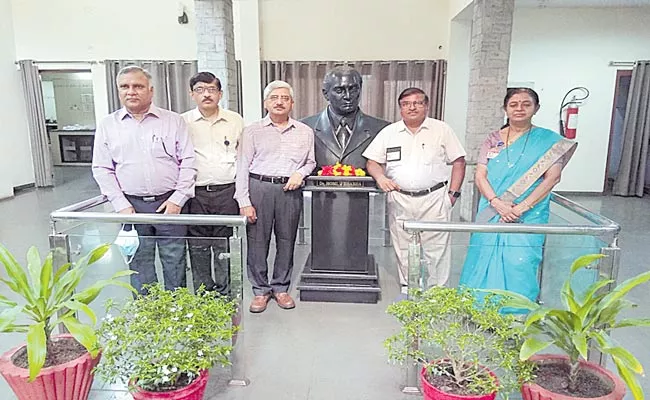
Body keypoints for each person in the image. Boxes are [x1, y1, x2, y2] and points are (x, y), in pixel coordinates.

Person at [458, 88, 577, 307]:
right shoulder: (493, 139)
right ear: (505, 109)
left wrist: (520, 208)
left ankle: (516, 313)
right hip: (492, 210)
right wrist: (497, 203)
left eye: (526, 104)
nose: (519, 109)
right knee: (482, 255)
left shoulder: (549, 141)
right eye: (513, 104)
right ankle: (478, 309)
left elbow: (552, 178)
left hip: (529, 213)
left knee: (520, 262)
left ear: (536, 108)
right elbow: (480, 175)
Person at [92, 65, 196, 294]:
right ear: (118, 91)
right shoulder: (108, 125)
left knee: (175, 260)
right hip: (131, 206)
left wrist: (178, 199)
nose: (131, 91)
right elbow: (102, 168)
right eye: (125, 87)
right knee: (139, 263)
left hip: (170, 204)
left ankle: (176, 311)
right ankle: (147, 314)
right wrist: (121, 205)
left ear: (150, 91)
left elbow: (188, 162)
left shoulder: (173, 121)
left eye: (138, 86)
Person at [363, 87, 466, 294]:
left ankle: (437, 291)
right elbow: (372, 161)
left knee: (436, 248)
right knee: (402, 246)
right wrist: (381, 177)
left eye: (417, 103)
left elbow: (459, 161)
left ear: (426, 106)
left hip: (434, 198)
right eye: (406, 104)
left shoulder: (441, 129)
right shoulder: (389, 132)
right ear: (400, 108)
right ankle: (409, 286)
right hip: (400, 199)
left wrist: (452, 195)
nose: (412, 107)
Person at [235, 80, 316, 313]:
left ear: (292, 103)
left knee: (286, 240)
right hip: (259, 187)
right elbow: (242, 166)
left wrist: (300, 173)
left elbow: (310, 162)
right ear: (265, 103)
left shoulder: (304, 131)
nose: (279, 102)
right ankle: (260, 290)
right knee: (257, 242)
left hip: (289, 192)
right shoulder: (252, 131)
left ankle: (281, 288)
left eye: (284, 98)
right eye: (274, 98)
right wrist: (244, 201)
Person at [181, 72, 244, 297]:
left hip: (227, 191)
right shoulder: (183, 122)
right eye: (200, 90)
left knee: (224, 244)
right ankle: (203, 290)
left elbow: (243, 156)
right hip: (194, 193)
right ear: (192, 94)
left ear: (220, 94)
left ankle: (226, 291)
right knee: (197, 246)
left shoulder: (234, 120)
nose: (206, 94)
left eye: (211, 89)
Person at [301, 66, 389, 168]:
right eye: (339, 91)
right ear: (326, 94)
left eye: (353, 89)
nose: (347, 96)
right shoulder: (305, 127)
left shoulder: (382, 128)